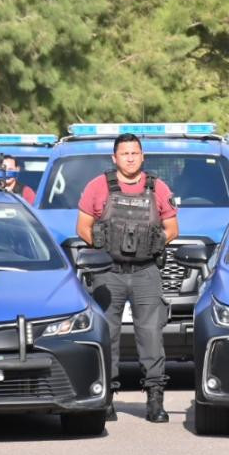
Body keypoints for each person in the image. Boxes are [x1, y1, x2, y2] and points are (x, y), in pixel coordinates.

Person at [76, 133, 179, 423]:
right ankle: (106, 398)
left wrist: (157, 242)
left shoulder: (157, 187)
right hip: (109, 272)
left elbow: (172, 227)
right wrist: (101, 245)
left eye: (135, 153)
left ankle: (155, 400)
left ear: (142, 156)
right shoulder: (98, 186)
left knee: (151, 336)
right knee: (106, 335)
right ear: (115, 158)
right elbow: (83, 225)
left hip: (146, 270)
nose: (130, 158)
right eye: (125, 153)